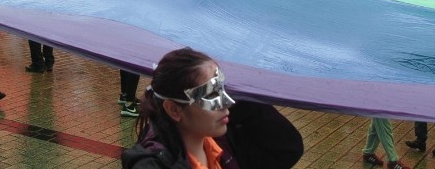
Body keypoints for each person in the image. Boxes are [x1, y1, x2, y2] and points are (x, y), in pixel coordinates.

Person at [121, 47, 304, 169]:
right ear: (175, 110)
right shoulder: (154, 164)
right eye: (211, 95)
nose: (228, 103)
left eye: (223, 89)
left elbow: (287, 149)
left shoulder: (218, 140)